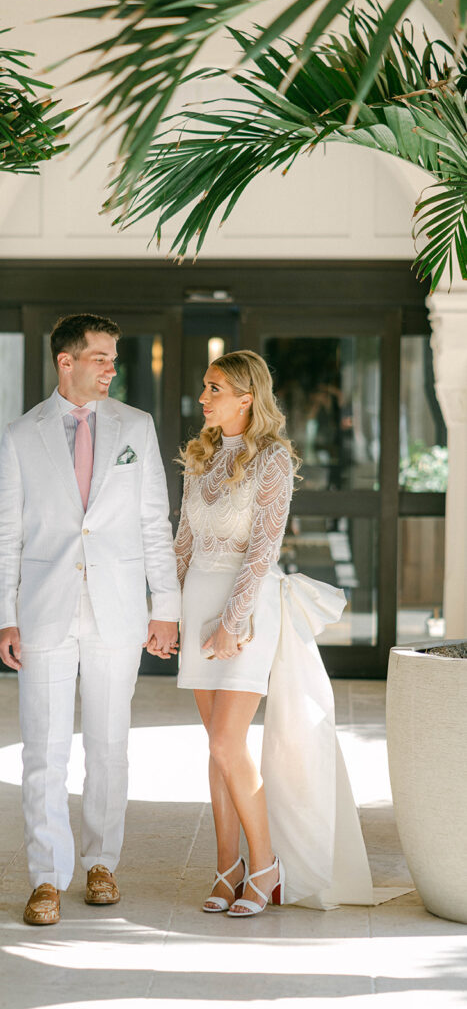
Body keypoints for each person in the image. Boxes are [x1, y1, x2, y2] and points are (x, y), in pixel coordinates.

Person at [0, 313, 180, 926]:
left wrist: (166, 609)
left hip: (118, 611)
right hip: (43, 612)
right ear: (65, 361)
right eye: (99, 356)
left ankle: (102, 863)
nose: (110, 368)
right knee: (43, 751)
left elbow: (155, 523)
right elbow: (4, 535)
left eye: (113, 357)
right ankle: (46, 878)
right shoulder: (22, 435)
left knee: (109, 745)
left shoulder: (136, 427)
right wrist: (5, 615)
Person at [175, 350, 373, 916]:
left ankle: (265, 867)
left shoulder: (273, 462)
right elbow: (183, 542)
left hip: (247, 612)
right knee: (215, 753)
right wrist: (164, 612)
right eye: (205, 387)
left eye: (215, 389)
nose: (204, 398)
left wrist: (232, 625)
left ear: (246, 397)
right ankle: (226, 868)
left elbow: (262, 550)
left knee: (225, 743)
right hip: (196, 606)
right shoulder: (199, 458)